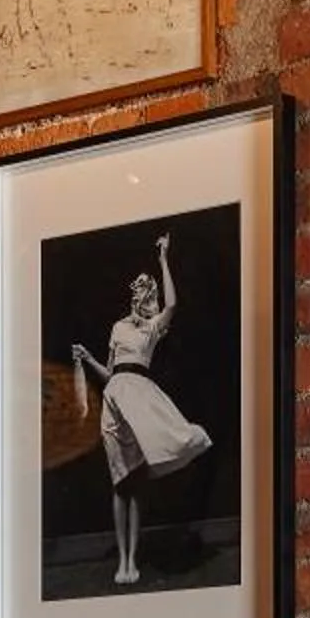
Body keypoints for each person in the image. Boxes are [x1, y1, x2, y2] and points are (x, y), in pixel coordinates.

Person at [71, 232, 211, 588]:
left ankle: (134, 557)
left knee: (136, 483)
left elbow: (174, 305)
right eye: (139, 293)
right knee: (119, 483)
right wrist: (87, 360)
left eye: (148, 295)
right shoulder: (118, 327)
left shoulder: (152, 328)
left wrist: (164, 258)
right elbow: (111, 372)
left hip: (140, 399)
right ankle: (123, 559)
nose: (142, 298)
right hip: (114, 400)